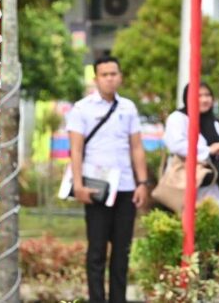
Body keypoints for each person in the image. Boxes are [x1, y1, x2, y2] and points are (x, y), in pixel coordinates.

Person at [66, 56, 150, 303]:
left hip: (125, 187)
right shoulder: (82, 109)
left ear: (120, 77)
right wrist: (78, 185)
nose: (110, 78)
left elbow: (136, 147)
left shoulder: (128, 108)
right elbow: (76, 150)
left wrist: (142, 183)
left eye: (114, 74)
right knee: (97, 252)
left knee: (122, 252)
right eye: (105, 75)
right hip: (96, 188)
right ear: (95, 79)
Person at [163, 82, 219, 207]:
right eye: (199, 96)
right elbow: (176, 145)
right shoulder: (178, 118)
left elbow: (218, 149)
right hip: (182, 183)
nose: (205, 100)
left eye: (207, 95)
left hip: (208, 183)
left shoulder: (213, 122)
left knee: (211, 218)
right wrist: (207, 150)